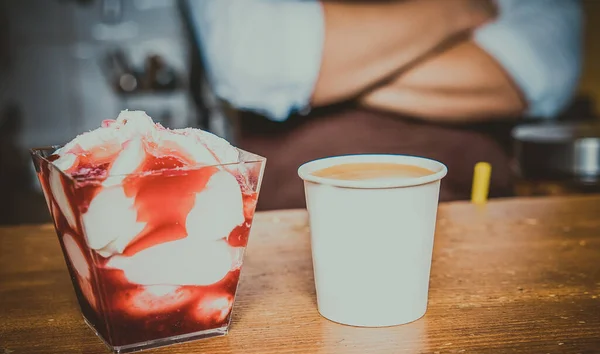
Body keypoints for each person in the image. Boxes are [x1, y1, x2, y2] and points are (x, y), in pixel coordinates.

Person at [186, 0, 584, 210]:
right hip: (290, 227)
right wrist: (460, 9)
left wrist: (326, 68)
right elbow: (249, 61)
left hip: (481, 219)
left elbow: (541, 71)